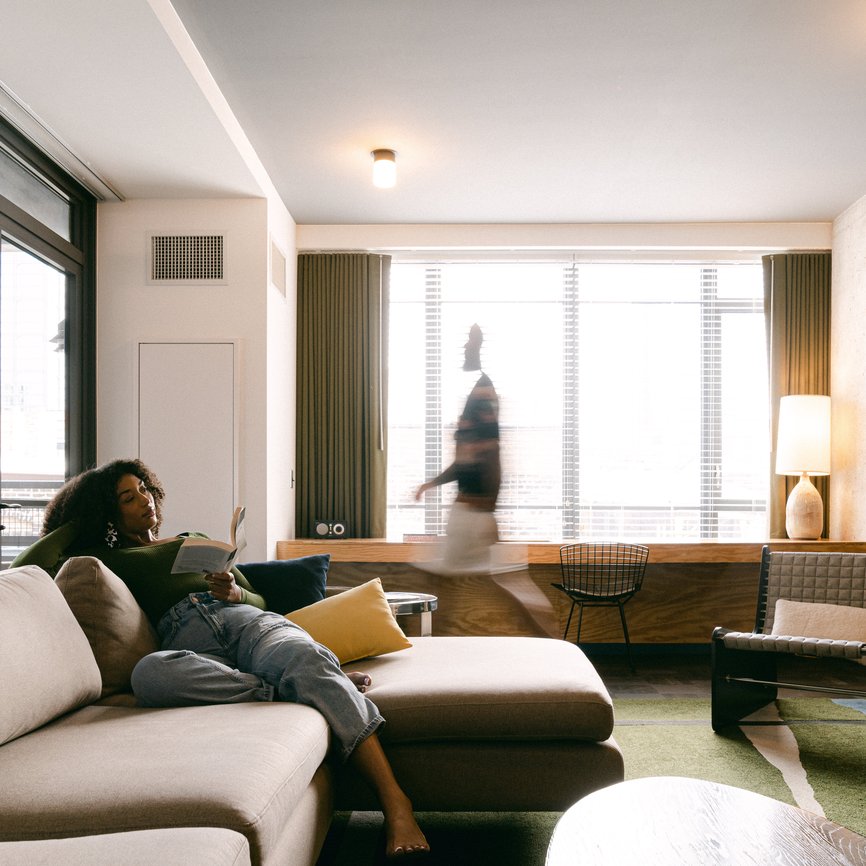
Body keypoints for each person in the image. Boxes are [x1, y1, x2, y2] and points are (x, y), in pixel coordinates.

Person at [13, 458, 429, 860]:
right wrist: (78, 521)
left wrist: (234, 592)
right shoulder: (109, 558)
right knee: (149, 673)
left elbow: (259, 599)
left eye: (143, 489)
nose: (144, 500)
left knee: (300, 654)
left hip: (245, 622)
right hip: (188, 640)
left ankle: (395, 802)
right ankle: (302, 683)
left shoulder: (191, 538)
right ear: (107, 514)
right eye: (127, 498)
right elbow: (27, 565)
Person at [415, 324, 501, 573]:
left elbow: (489, 453)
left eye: (470, 341)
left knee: (441, 576)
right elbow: (466, 462)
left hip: (472, 513)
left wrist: (488, 510)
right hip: (470, 510)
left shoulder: (483, 392)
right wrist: (430, 484)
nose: (465, 347)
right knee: (493, 578)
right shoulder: (475, 394)